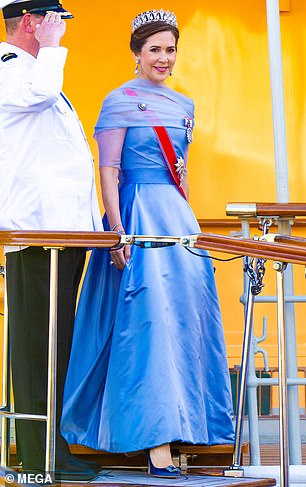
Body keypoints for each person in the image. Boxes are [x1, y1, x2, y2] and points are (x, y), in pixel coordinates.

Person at [61, 8, 235, 478]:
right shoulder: (117, 101)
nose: (163, 57)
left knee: (182, 325)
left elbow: (181, 172)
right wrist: (116, 232)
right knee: (146, 326)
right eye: (154, 49)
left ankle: (186, 428)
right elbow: (110, 172)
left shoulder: (184, 105)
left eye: (170, 49)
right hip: (136, 220)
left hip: (177, 222)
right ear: (136, 54)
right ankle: (155, 442)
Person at [0, 0, 103, 481]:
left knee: (57, 343)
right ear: (30, 22)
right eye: (55, 21)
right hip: (36, 233)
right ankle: (40, 456)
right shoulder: (11, 69)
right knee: (36, 344)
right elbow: (38, 95)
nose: (62, 31)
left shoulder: (36, 72)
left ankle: (53, 448)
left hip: (62, 234)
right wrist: (51, 48)